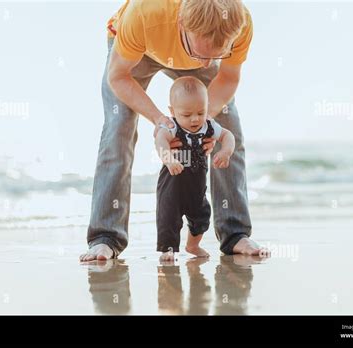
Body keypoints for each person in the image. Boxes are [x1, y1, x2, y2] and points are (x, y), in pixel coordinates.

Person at [80, 0, 270, 262]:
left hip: (187, 43)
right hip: (138, 50)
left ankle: (235, 233)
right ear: (182, 24)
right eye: (202, 54)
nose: (206, 65)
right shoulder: (146, 14)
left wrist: (204, 124)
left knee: (227, 121)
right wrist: (159, 119)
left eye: (216, 55)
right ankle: (105, 237)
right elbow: (119, 76)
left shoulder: (239, 23)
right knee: (118, 125)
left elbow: (227, 78)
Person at [155, 76, 235, 261]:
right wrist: (169, 159)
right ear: (172, 111)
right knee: (168, 217)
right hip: (172, 185)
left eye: (201, 112)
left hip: (196, 186)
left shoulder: (208, 126)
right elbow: (161, 139)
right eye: (187, 114)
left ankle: (193, 245)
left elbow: (227, 135)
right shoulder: (173, 127)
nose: (195, 119)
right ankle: (168, 250)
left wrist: (226, 151)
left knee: (202, 216)